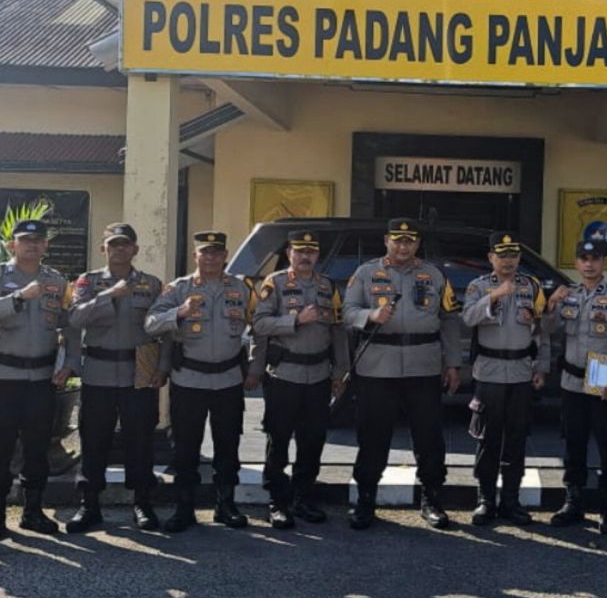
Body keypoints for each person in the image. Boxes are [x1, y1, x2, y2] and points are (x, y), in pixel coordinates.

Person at [342, 218, 462, 530]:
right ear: (386, 240)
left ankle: (432, 500)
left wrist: (453, 363)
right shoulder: (366, 273)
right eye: (397, 240)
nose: (403, 246)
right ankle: (366, 500)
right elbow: (346, 312)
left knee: (429, 438)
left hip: (423, 367)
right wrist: (370, 315)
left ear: (417, 244)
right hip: (377, 368)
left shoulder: (433, 274)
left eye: (410, 241)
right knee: (373, 437)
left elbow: (449, 319)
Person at [0, 219, 80, 539]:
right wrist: (18, 297)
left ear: (46, 246)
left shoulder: (57, 281)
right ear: (12, 245)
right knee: (1, 447)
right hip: (4, 377)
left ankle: (33, 511)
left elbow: (70, 325)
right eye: (25, 240)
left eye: (38, 240)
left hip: (42, 379)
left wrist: (71, 363)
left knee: (37, 447)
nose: (32, 245)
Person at [145, 231, 254, 533]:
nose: (210, 258)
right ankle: (184, 507)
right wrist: (178, 312)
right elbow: (151, 324)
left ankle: (226, 504)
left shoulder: (242, 288)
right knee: (185, 447)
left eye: (216, 253)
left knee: (228, 444)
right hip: (189, 379)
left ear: (226, 255)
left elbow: (259, 326)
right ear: (195, 256)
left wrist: (255, 368)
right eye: (205, 253)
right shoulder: (178, 289)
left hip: (229, 379)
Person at [66, 223, 164, 533]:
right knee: (94, 440)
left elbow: (166, 330)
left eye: (126, 244)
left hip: (140, 370)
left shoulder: (152, 284)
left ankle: (142, 502)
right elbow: (75, 319)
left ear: (135, 249)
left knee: (141, 439)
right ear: (103, 249)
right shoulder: (87, 282)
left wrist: (164, 366)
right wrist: (109, 295)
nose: (120, 249)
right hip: (99, 370)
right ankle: (89, 505)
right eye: (114, 244)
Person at [250, 230, 349, 528]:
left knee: (313, 440)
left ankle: (304, 498)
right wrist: (295, 320)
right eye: (299, 251)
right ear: (290, 253)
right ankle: (277, 502)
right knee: (278, 439)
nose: (305, 256)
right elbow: (259, 324)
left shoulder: (326, 285)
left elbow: (338, 330)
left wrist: (339, 372)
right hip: (284, 375)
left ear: (317, 255)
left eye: (311, 251)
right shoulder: (274, 283)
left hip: (318, 375)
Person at [543, 239, 607, 534]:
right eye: (583, 258)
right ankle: (574, 501)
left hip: (604, 385)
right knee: (574, 443)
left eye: (595, 258)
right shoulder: (569, 296)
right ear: (576, 262)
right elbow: (548, 331)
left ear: (603, 262)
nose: (589, 264)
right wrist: (551, 305)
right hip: (572, 382)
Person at [462, 232, 549, 527]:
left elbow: (541, 330)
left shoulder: (532, 286)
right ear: (491, 258)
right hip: (489, 371)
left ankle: (510, 501)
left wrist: (541, 366)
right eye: (502, 255)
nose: (508, 261)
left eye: (513, 255)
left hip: (522, 371)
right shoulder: (478, 286)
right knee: (488, 438)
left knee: (516, 439)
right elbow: (468, 317)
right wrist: (495, 296)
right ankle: (485, 500)